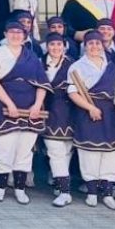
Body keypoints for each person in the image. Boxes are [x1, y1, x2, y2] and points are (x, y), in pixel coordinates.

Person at [0, 20, 46, 205]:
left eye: (19, 33)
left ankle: (20, 189)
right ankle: (0, 188)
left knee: (24, 151)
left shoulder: (31, 57)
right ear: (5, 34)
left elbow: (42, 84)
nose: (15, 35)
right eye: (12, 32)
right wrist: (9, 104)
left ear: (25, 36)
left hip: (29, 108)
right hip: (3, 106)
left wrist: (37, 105)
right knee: (3, 149)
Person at [68, 31, 115, 209]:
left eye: (98, 43)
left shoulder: (111, 66)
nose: (94, 46)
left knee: (111, 154)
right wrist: (90, 108)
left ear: (103, 45)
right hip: (88, 112)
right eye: (90, 43)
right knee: (89, 153)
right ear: (85, 46)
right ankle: (91, 193)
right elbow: (73, 92)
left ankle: (107, 194)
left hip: (111, 114)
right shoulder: (77, 66)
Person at [38, 32, 76, 207]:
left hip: (69, 113)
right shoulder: (39, 63)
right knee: (54, 151)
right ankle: (64, 191)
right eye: (52, 44)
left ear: (64, 47)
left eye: (59, 44)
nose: (55, 48)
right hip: (48, 112)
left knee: (67, 151)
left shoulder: (73, 65)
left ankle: (61, 185)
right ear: (47, 46)